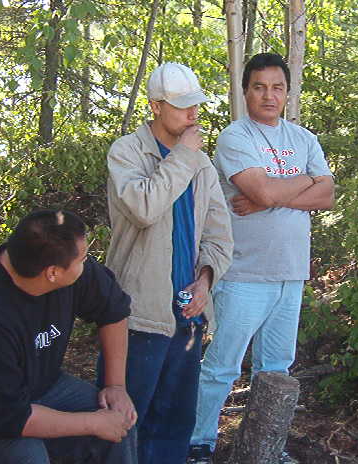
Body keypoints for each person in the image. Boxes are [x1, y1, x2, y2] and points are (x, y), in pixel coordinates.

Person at [188, 53, 335, 464]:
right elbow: (270, 191)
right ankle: (200, 442)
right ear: (246, 91)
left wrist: (270, 196)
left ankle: (267, 445)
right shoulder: (237, 137)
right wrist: (303, 182)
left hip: (291, 272)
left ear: (287, 92)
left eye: (277, 87)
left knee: (276, 369)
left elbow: (327, 195)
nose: (268, 95)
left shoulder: (304, 139)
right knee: (222, 366)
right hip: (244, 272)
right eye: (259, 87)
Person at [0, 209, 137, 463]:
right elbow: (9, 417)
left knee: (119, 422)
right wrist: (93, 423)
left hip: (39, 384)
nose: (87, 263)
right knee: (28, 456)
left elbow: (113, 309)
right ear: (53, 273)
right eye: (82, 259)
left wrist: (116, 386)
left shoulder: (58, 260)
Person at [103, 62, 233, 464]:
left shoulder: (201, 164)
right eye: (182, 106)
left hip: (187, 316)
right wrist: (182, 157)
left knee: (174, 425)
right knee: (124, 425)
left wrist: (206, 280)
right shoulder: (127, 152)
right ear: (155, 106)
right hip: (138, 314)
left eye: (196, 104)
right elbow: (144, 206)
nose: (193, 113)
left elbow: (218, 235)